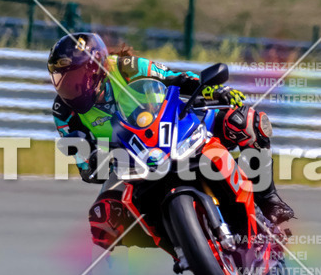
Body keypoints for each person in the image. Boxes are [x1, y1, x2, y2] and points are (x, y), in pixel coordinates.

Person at [47, 32, 294, 248]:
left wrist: (211, 90)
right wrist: (91, 160)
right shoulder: (63, 111)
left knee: (244, 122)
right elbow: (84, 165)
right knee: (103, 219)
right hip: (126, 161)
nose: (68, 87)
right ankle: (177, 243)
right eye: (61, 80)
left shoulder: (125, 67)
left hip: (168, 126)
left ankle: (268, 199)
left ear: (95, 70)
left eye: (74, 78)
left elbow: (174, 78)